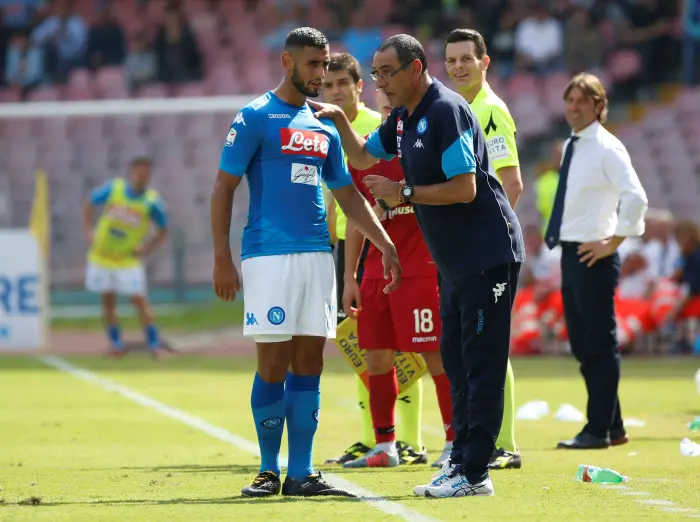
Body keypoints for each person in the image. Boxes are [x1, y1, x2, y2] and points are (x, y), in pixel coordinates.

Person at [310, 33, 524, 498]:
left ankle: (475, 473)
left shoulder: (446, 111)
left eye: (386, 72)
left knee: (480, 364)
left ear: (414, 69)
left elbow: (465, 188)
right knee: (456, 359)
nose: (379, 82)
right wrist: (339, 122)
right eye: (375, 74)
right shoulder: (406, 118)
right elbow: (365, 156)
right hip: (455, 263)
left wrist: (404, 193)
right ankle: (462, 462)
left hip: (487, 255)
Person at [209, 27, 401, 499]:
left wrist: (385, 243)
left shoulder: (325, 125)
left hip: (318, 255)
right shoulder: (254, 117)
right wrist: (222, 258)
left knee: (310, 362)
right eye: (313, 64)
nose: (321, 73)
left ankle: (301, 473)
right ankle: (267, 469)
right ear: (287, 63)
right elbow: (223, 187)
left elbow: (347, 194)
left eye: (326, 63)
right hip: (267, 256)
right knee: (272, 362)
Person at [331, 88, 455, 470]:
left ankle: (454, 440)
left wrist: (400, 197)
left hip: (419, 267)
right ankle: (385, 444)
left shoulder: (424, 148)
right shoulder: (369, 152)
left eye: (394, 101)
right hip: (374, 272)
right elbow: (357, 219)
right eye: (384, 102)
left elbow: (449, 199)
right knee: (376, 357)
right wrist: (350, 276)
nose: (389, 107)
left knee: (436, 356)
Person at [321, 53, 429, 466]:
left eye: (341, 84)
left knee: (410, 347)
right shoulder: (319, 127)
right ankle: (372, 438)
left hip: (390, 247)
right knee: (364, 347)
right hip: (347, 248)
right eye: (328, 85)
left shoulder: (375, 127)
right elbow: (335, 195)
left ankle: (411, 440)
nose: (334, 92)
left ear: (358, 86)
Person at [545, 73, 648, 449]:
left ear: (599, 105)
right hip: (573, 253)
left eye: (582, 101)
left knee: (599, 344)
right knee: (584, 344)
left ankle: (597, 430)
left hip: (593, 254)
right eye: (569, 100)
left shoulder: (607, 147)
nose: (573, 107)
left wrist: (613, 242)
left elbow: (636, 197)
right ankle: (613, 425)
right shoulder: (575, 145)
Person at [444, 28, 523, 470]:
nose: (458, 67)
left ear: (485, 62)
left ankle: (504, 443)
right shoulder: (464, 109)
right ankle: (488, 439)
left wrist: (485, 239)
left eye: (466, 59)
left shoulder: (489, 112)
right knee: (474, 347)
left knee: (488, 348)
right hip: (469, 253)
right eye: (452, 59)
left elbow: (511, 181)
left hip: (486, 253)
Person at [83, 157, 168, 360]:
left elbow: (163, 229)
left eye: (146, 173)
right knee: (108, 302)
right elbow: (89, 203)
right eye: (139, 171)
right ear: (132, 172)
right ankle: (116, 344)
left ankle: (154, 343)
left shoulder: (151, 202)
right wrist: (88, 229)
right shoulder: (114, 189)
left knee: (139, 301)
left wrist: (146, 248)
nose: (142, 176)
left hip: (127, 260)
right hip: (102, 257)